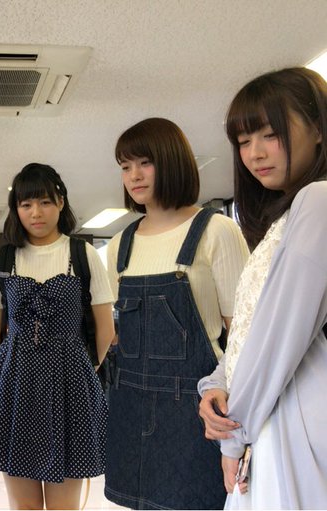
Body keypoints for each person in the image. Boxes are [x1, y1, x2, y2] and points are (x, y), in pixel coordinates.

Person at [104, 118, 249, 510]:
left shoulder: (216, 230)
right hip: (131, 405)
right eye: (125, 166)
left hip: (197, 409)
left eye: (145, 163)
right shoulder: (119, 244)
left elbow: (245, 335)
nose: (133, 176)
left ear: (172, 162)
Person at [198, 67, 327, 509]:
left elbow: (279, 336)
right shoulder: (289, 214)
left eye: (271, 135)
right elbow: (253, 325)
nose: (254, 153)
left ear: (318, 129)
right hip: (273, 410)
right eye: (243, 141)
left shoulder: (318, 201)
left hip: (295, 416)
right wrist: (216, 385)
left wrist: (233, 435)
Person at [0, 163, 115, 509]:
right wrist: (9, 367)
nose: (36, 212)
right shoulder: (2, 259)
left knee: (64, 506)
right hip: (14, 388)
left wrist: (82, 370)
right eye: (26, 204)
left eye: (45, 202)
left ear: (61, 202)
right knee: (23, 506)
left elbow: (106, 329)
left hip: (72, 389)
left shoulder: (83, 254)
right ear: (16, 209)